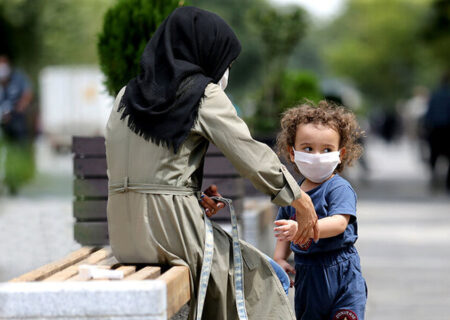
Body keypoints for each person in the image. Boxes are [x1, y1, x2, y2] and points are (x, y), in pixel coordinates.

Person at [105, 6, 317, 320]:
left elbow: (146, 171)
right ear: (203, 51)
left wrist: (189, 196)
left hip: (123, 235)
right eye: (225, 61)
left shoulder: (125, 95)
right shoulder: (202, 93)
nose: (225, 69)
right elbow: (251, 157)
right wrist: (299, 199)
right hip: (171, 232)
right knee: (272, 278)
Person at [273, 101, 367, 320]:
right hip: (307, 274)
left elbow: (339, 223)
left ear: (340, 153)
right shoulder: (292, 193)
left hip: (341, 271)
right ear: (292, 152)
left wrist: (303, 228)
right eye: (308, 148)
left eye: (326, 149)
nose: (317, 156)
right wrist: (279, 257)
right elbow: (283, 229)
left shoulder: (338, 188)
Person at [0, 52, 34, 195]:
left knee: (17, 148)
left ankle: (15, 179)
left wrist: (20, 108)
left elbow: (28, 93)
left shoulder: (18, 78)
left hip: (16, 120)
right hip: (2, 121)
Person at [424, 72, 450, 191]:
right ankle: (447, 182)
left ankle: (434, 177)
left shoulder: (435, 95)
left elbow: (428, 114)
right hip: (448, 129)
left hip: (435, 129)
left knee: (434, 154)